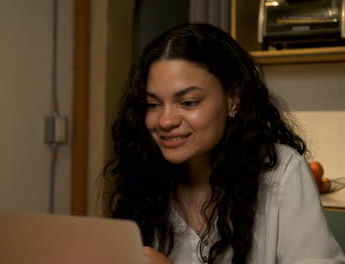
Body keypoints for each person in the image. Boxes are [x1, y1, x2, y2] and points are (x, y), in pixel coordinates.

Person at [99, 23, 345, 264]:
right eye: (153, 105)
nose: (165, 121)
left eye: (188, 102)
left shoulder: (282, 172)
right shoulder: (142, 177)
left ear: (233, 99)